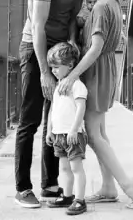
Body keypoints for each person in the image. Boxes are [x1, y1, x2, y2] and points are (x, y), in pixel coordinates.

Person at [57, 0, 133, 210]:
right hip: (105, 70)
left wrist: (72, 75)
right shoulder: (109, 5)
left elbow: (96, 47)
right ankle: (109, 187)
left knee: (92, 134)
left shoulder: (101, 7)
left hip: (96, 72)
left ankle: (128, 185)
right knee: (99, 133)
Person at [14, 0, 104, 208]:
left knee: (55, 118)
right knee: (30, 120)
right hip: (35, 49)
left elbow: (71, 20)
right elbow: (38, 27)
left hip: (60, 52)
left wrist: (74, 42)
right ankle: (22, 188)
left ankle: (50, 184)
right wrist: (44, 72)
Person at [45, 43, 89, 215]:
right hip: (58, 135)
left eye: (56, 67)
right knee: (64, 168)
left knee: (76, 169)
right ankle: (68, 196)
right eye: (51, 68)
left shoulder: (77, 85)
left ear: (70, 65)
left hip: (73, 135)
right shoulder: (58, 86)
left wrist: (74, 129)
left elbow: (81, 108)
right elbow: (52, 110)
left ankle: (80, 200)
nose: (53, 71)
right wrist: (49, 130)